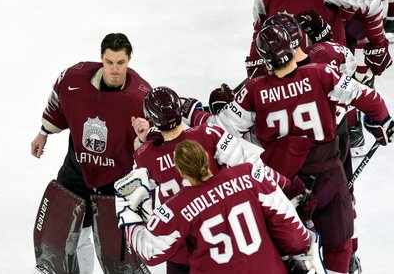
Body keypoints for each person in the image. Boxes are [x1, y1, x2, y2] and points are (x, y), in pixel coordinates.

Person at [215, 24, 393, 273]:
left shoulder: (253, 89)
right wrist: (381, 121)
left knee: (289, 250)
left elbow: (219, 132)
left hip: (281, 182)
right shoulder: (321, 74)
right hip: (327, 176)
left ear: (266, 60)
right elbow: (368, 97)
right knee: (339, 244)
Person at [131, 86, 316, 274]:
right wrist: (288, 186)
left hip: (179, 246)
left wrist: (146, 141)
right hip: (228, 233)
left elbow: (140, 205)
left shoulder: (144, 157)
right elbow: (252, 167)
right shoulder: (207, 134)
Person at [30, 33, 152, 273]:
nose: (115, 69)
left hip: (116, 181)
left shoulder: (141, 97)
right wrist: (43, 132)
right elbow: (58, 101)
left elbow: (151, 146)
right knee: (73, 236)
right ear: (101, 59)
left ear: (129, 60)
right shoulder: (74, 79)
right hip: (77, 170)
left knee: (114, 247)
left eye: (120, 63)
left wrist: (144, 138)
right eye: (109, 62)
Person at [114, 140, 326, 273]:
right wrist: (297, 252)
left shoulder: (177, 207)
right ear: (207, 157)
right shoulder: (248, 173)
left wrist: (127, 213)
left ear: (181, 171)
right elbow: (291, 228)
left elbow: (150, 252)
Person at [246, 0, 392, 80]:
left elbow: (370, 3)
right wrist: (255, 59)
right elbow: (260, 25)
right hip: (284, 70)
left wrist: (377, 45)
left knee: (358, 90)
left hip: (328, 71)